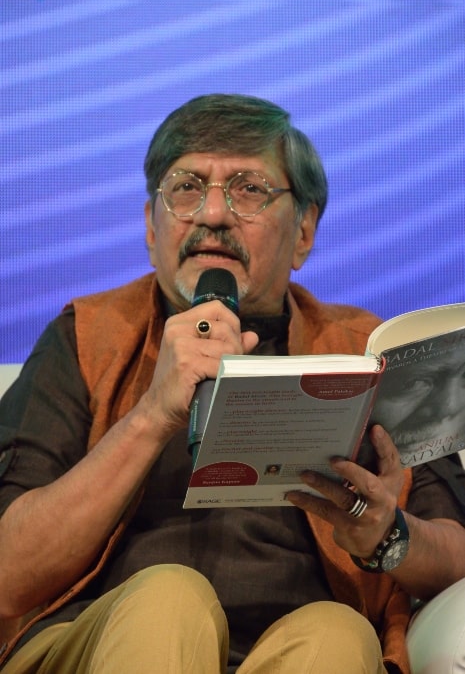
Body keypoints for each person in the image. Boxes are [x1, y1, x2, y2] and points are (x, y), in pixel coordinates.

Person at [0, 93, 464, 674]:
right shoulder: (87, 335)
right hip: (101, 639)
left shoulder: (363, 351)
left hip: (296, 645)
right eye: (187, 188)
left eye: (248, 189)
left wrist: (387, 535)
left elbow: (455, 551)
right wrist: (152, 415)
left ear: (304, 232)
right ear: (151, 225)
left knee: (340, 633)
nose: (212, 215)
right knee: (170, 599)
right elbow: (6, 576)